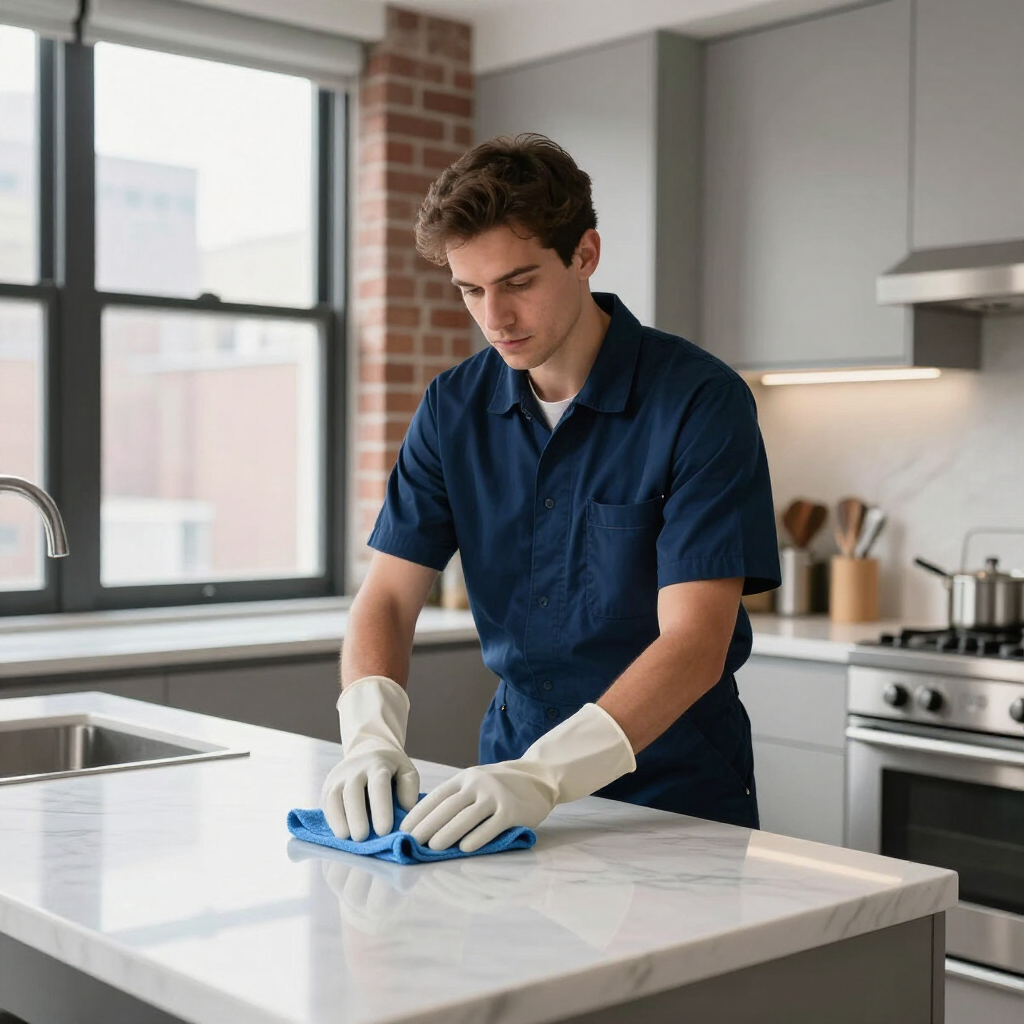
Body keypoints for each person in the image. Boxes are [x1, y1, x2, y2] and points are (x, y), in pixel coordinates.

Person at [321, 133, 780, 854]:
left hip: (675, 793)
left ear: (584, 255)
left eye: (518, 282)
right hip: (507, 781)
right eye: (470, 289)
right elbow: (386, 596)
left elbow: (695, 643)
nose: (493, 317)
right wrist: (368, 736)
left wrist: (545, 776)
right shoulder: (453, 409)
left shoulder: (699, 401)